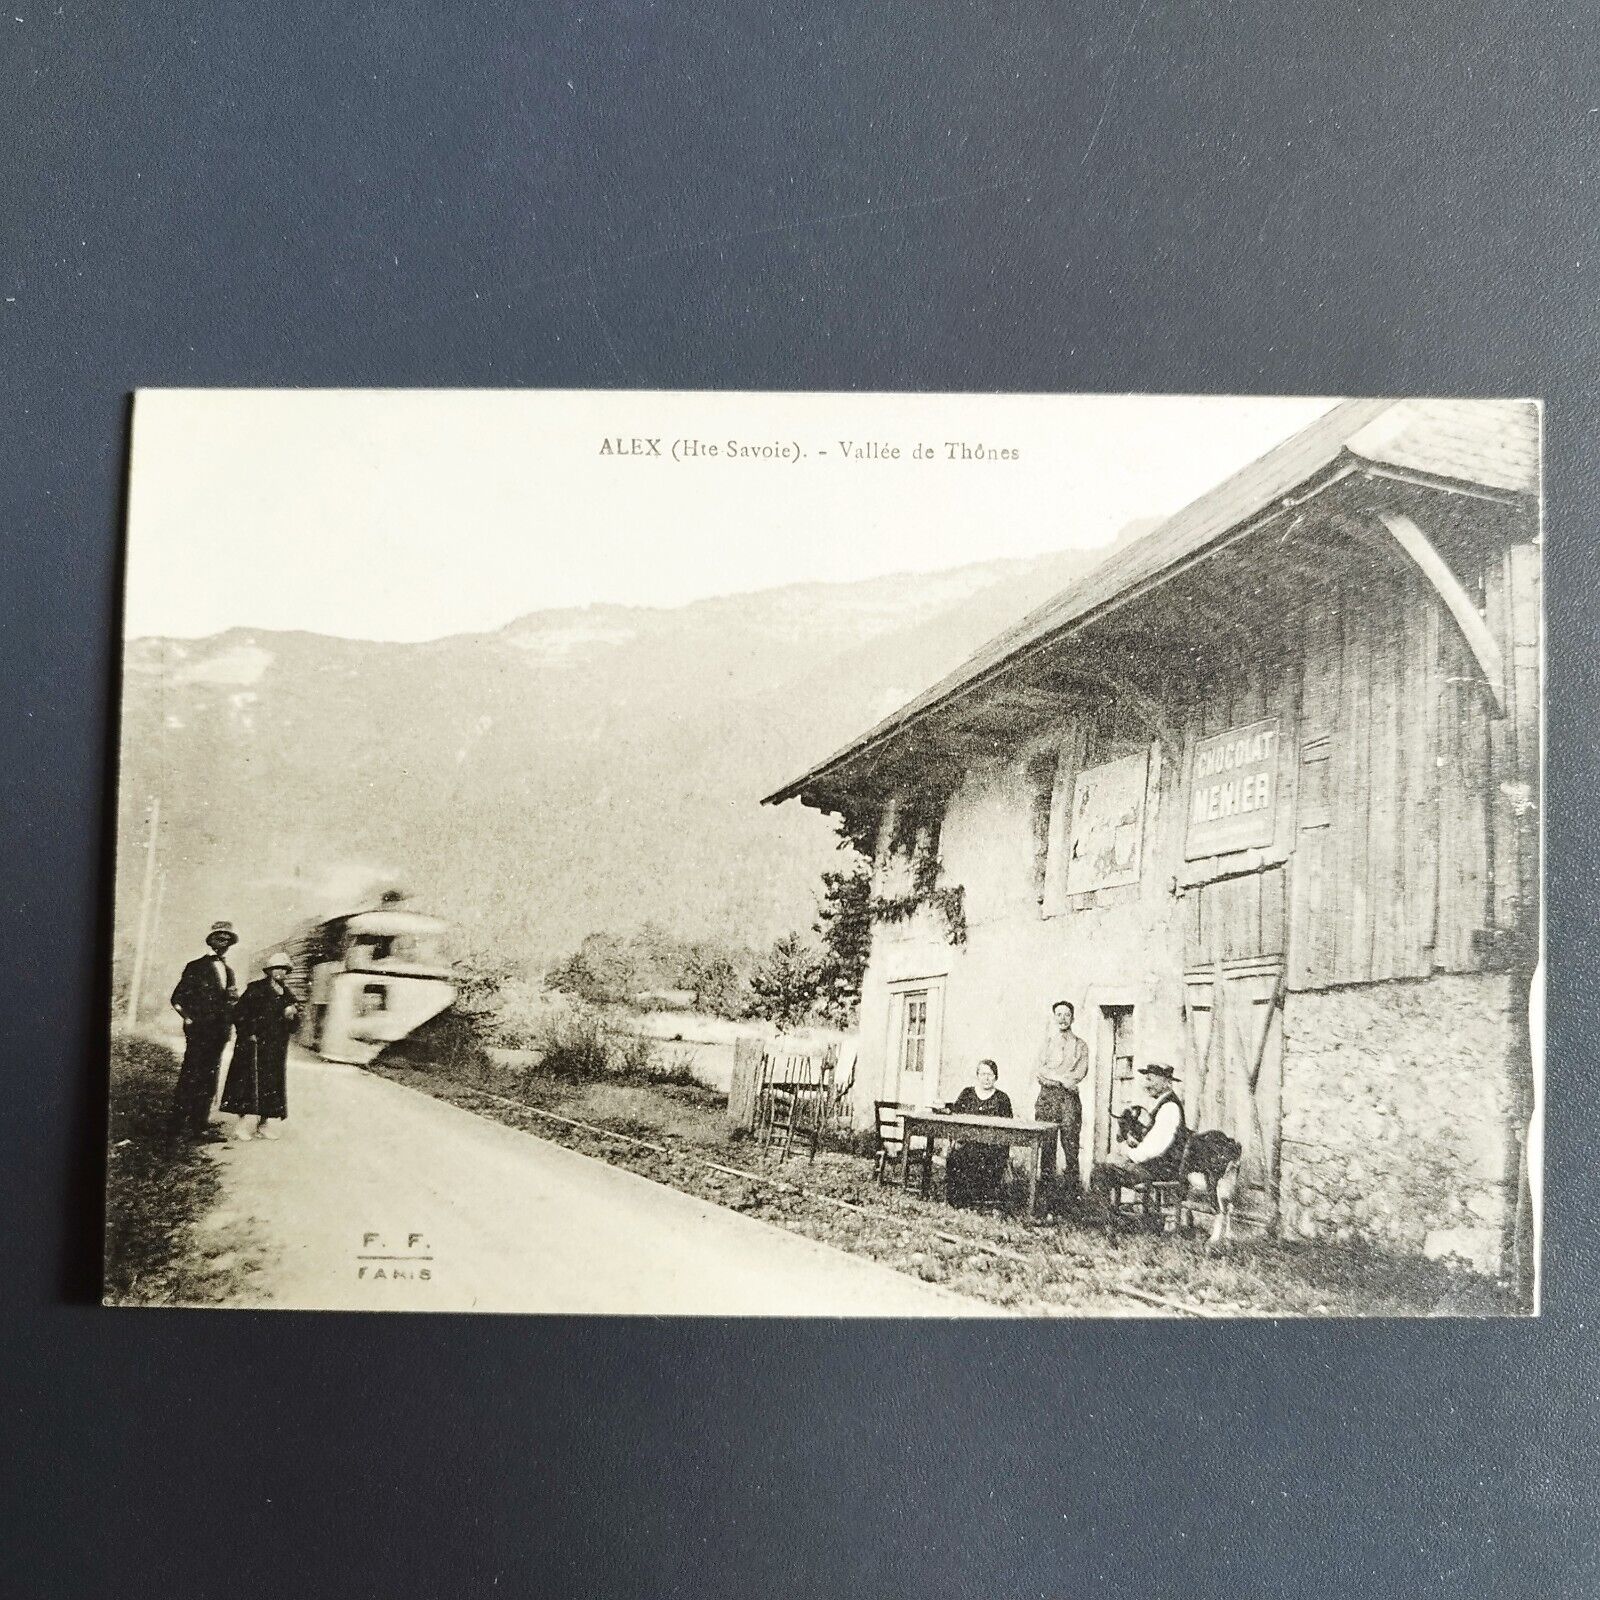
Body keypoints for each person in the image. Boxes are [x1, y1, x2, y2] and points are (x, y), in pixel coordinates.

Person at [169, 919, 241, 1139]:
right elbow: (177, 998)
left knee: (209, 1078)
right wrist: (188, 1019)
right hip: (199, 1032)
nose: (224, 942)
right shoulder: (196, 967)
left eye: (228, 939)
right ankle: (177, 1126)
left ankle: (199, 1125)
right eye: (220, 938)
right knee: (191, 1075)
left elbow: (229, 1002)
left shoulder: (228, 971)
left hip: (218, 1034)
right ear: (211, 941)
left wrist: (232, 1004)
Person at [1090, 1062, 1189, 1217]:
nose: (1146, 1085)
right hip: (1156, 1164)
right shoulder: (1161, 1103)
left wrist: (1128, 1154)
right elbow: (1153, 1141)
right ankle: (1111, 1215)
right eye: (1146, 1080)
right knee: (1110, 1161)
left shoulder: (1169, 1107)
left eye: (1151, 1080)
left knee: (1101, 1171)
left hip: (1161, 1170)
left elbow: (1154, 1149)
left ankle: (1105, 1220)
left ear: (1167, 1082)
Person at [221, 953, 301, 1140]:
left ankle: (263, 1124)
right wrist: (249, 1033)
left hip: (275, 1047)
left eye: (284, 969)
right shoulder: (256, 989)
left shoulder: (288, 995)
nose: (280, 971)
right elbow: (239, 1013)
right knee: (247, 1082)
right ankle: (241, 1126)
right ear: (269, 971)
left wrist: (291, 1016)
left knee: (271, 1084)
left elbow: (294, 1026)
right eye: (276, 968)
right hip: (253, 1043)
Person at [1032, 999, 1088, 1210]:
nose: (1063, 1018)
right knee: (1047, 1147)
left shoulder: (1081, 1045)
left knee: (1070, 1148)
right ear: (1054, 1017)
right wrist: (1060, 1079)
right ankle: (1045, 1199)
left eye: (1067, 1014)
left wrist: (1058, 1077)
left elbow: (1078, 1074)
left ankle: (1071, 1200)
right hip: (1047, 1099)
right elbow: (1040, 1073)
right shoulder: (1047, 1043)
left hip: (1068, 1102)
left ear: (1073, 1018)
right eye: (1059, 1014)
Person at [943, 1059, 1014, 1209]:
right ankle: (958, 1202)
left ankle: (981, 1202)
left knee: (984, 1159)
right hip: (967, 1143)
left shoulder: (1002, 1098)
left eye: (990, 1074)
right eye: (983, 1074)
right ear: (977, 1075)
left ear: (996, 1077)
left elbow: (1008, 1128)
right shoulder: (967, 1093)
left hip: (992, 1146)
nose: (986, 1078)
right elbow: (955, 1116)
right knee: (957, 1157)